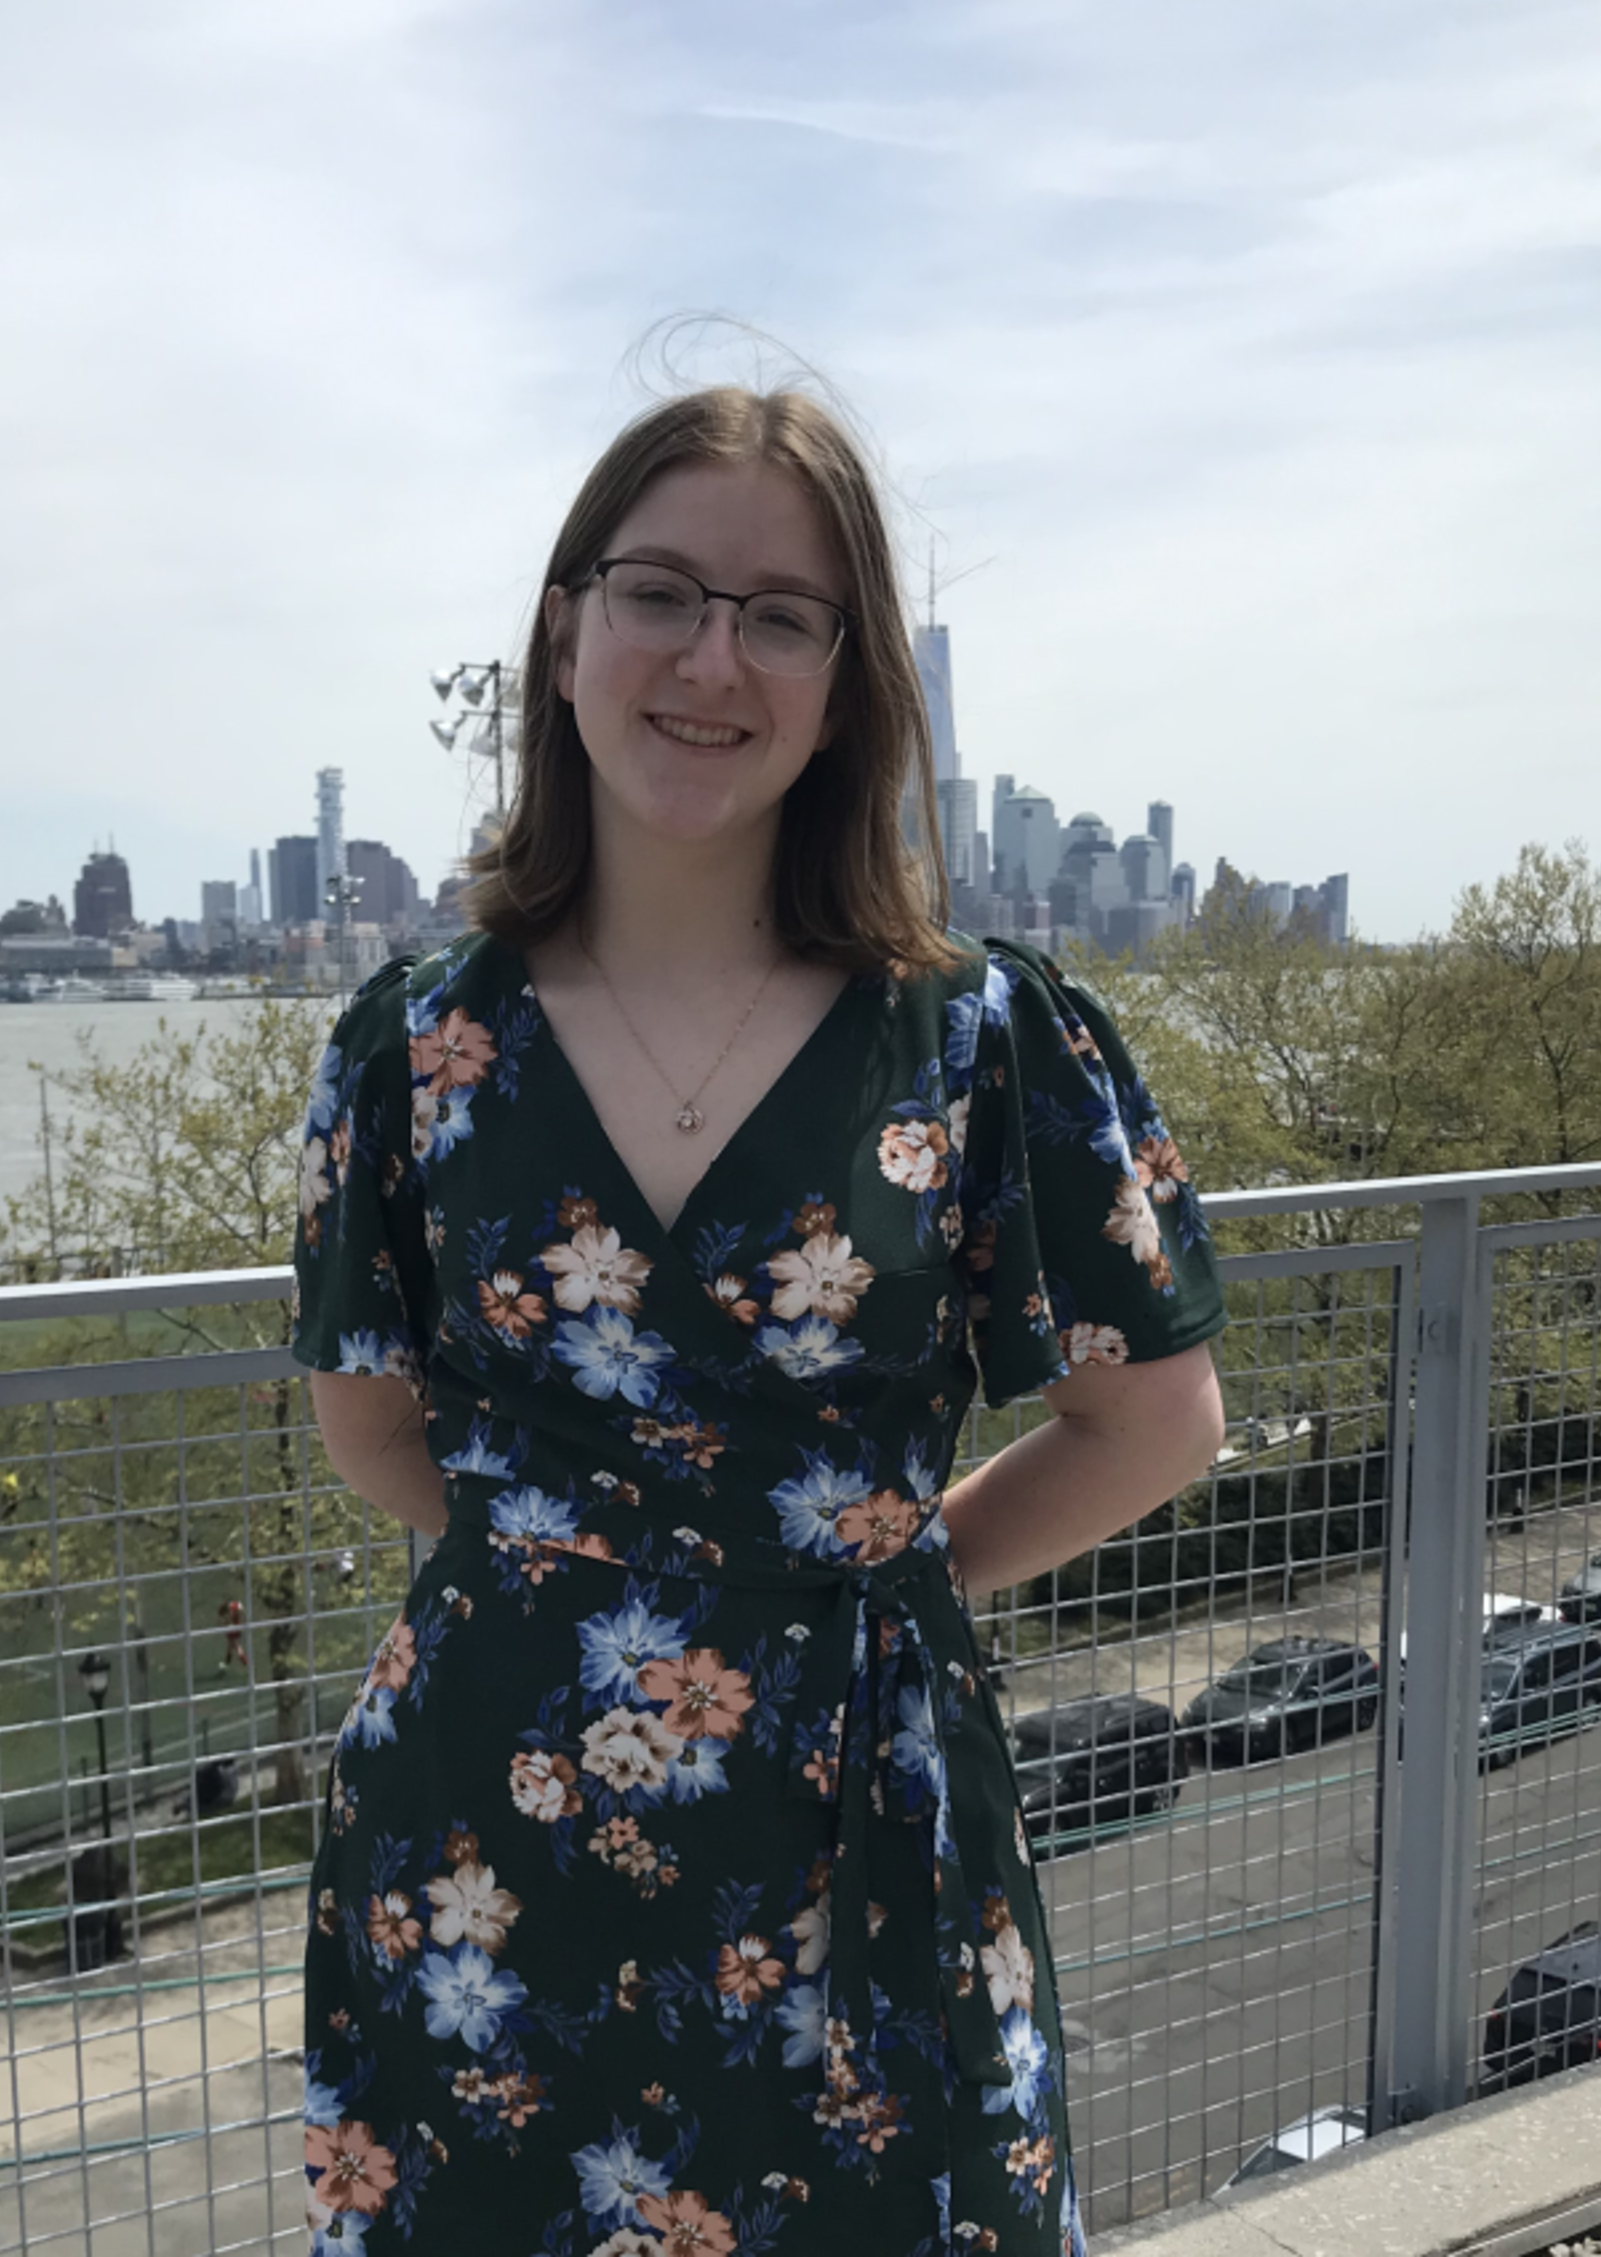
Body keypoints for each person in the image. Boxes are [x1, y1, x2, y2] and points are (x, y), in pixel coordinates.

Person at [291, 384, 1226, 2254]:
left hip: (863, 1835)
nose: (713, 657)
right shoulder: (407, 1048)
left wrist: (868, 1580)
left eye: (781, 615)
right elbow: (371, 1430)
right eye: (661, 592)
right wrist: (615, 1596)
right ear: (565, 635)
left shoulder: (979, 1039)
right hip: (488, 1852)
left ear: (845, 683)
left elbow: (1160, 1419)